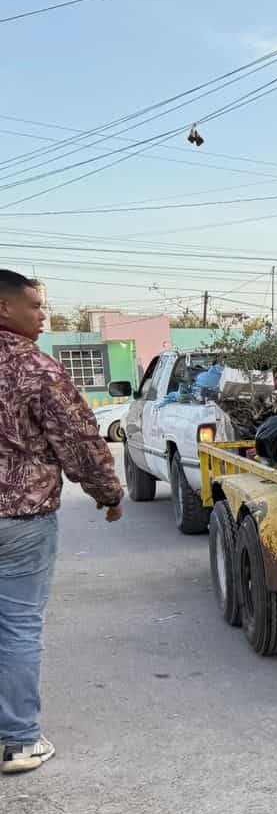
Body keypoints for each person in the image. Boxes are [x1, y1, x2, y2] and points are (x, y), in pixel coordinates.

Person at [0, 270, 124, 774]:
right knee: (18, 627)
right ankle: (18, 740)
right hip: (19, 519)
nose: (43, 315)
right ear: (5, 308)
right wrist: (108, 494)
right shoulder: (35, 368)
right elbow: (78, 442)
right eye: (35, 305)